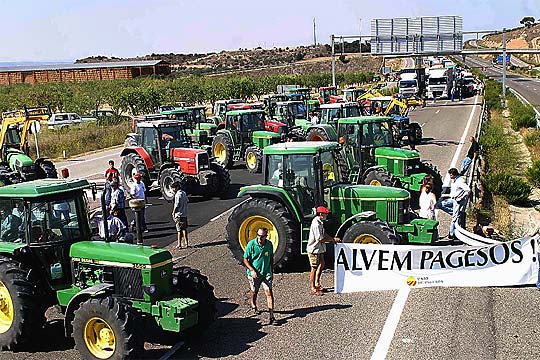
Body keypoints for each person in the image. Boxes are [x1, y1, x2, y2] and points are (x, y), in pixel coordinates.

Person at [243, 227, 276, 325]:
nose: (259, 238)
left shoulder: (269, 244)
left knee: (269, 292)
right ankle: (253, 304)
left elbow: (271, 258)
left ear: (266, 236)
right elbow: (245, 259)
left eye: (262, 236)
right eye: (258, 235)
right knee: (255, 291)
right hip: (254, 274)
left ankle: (271, 316)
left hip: (266, 273)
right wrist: (252, 270)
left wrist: (271, 271)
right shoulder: (251, 244)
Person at [307, 206, 339, 296]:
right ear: (321, 214)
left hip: (319, 249)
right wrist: (332, 240)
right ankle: (313, 288)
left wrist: (332, 239)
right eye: (325, 213)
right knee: (314, 268)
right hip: (314, 249)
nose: (327, 215)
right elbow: (320, 238)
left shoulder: (320, 222)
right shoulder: (316, 224)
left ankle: (317, 283)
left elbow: (323, 234)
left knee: (322, 264)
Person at [437, 168, 470, 240]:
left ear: (454, 174)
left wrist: (461, 197)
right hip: (453, 199)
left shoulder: (460, 181)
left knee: (454, 219)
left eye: (450, 175)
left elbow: (467, 190)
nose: (450, 176)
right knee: (440, 204)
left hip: (458, 200)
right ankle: (457, 214)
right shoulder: (454, 180)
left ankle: (451, 234)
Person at [171, 181, 189, 248]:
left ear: (177, 187)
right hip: (184, 213)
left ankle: (179, 244)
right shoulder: (184, 193)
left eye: (174, 188)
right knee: (184, 229)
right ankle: (186, 242)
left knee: (179, 230)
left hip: (179, 214)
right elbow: (187, 200)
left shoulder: (177, 195)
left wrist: (173, 212)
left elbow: (176, 205)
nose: (173, 189)